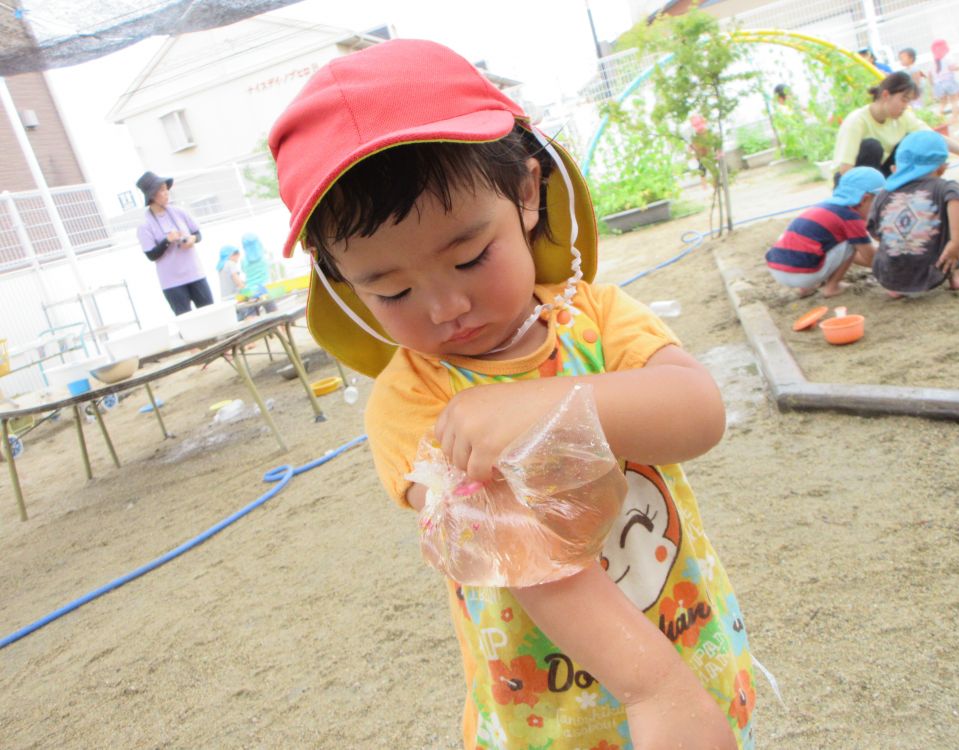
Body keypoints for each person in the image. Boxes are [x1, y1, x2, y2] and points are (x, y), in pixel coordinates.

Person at [270, 39, 753, 749]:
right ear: (342, 281)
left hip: (688, 649)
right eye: (392, 289)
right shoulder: (413, 401)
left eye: (469, 257)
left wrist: (552, 408)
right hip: (555, 716)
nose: (444, 307)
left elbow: (697, 413)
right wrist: (654, 689)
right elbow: (508, 542)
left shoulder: (595, 317)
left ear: (527, 192)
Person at [867, 130, 959, 295]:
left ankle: (896, 288)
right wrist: (956, 243)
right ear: (942, 167)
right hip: (933, 270)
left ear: (896, 166)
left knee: (892, 236)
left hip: (888, 275)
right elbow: (958, 200)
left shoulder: (884, 193)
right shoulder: (946, 188)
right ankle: (957, 275)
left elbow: (874, 232)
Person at [832, 73, 959, 182]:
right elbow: (845, 170)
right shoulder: (857, 121)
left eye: (908, 102)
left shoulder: (903, 117)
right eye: (903, 100)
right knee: (872, 146)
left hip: (880, 177)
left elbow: (933, 138)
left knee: (912, 142)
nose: (905, 106)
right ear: (886, 95)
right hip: (849, 182)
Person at [765, 166, 885, 298]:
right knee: (851, 243)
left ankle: (805, 288)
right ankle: (832, 287)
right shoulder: (850, 216)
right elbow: (870, 259)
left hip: (777, 269)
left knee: (806, 242)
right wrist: (890, 257)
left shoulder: (825, 206)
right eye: (878, 203)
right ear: (864, 199)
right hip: (804, 275)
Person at [135, 171, 214, 315]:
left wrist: (192, 239)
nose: (167, 193)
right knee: (186, 320)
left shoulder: (179, 211)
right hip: (171, 282)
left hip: (195, 273)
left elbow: (197, 233)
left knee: (210, 312)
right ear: (152, 195)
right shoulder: (144, 225)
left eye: (166, 189)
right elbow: (151, 255)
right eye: (162, 190)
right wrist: (167, 241)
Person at [930, 39, 959, 124]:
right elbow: (953, 68)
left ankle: (939, 117)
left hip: (938, 85)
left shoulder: (934, 62)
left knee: (943, 103)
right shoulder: (947, 59)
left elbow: (930, 74)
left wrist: (933, 86)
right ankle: (954, 118)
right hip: (948, 82)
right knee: (954, 101)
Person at [240, 232, 278, 314]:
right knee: (274, 313)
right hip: (265, 289)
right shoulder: (264, 259)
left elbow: (243, 270)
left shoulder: (243, 261)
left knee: (251, 315)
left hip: (251, 291)